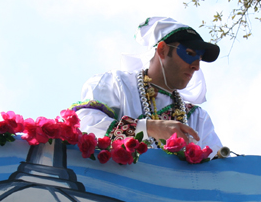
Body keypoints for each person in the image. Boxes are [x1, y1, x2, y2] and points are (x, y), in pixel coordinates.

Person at [71, 17, 223, 151]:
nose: (196, 66)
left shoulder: (197, 118)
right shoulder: (117, 84)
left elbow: (218, 168)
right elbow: (86, 126)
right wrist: (147, 128)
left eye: (199, 59)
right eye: (189, 54)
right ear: (162, 50)